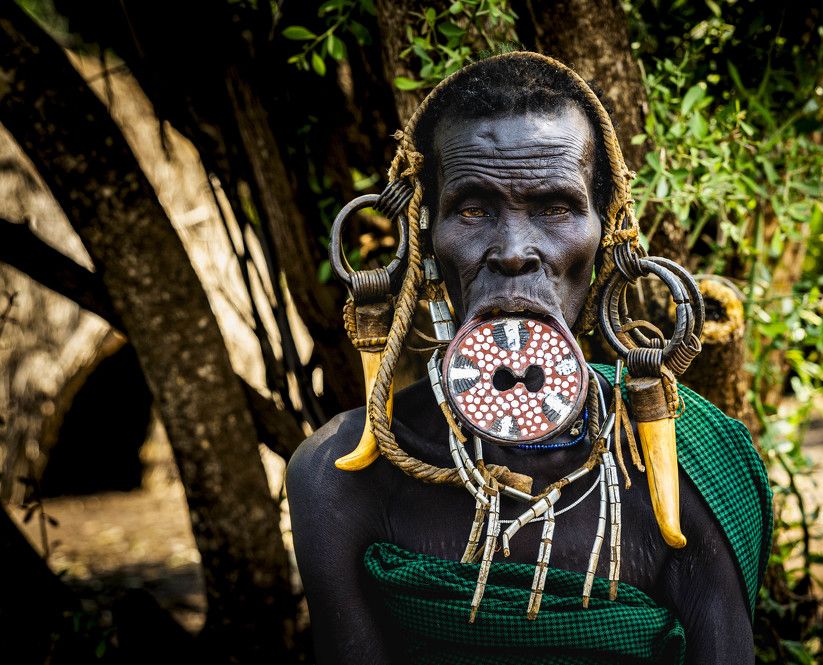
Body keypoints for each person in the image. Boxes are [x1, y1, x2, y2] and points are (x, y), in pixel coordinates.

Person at [286, 51, 771, 664]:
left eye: (556, 207)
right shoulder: (340, 479)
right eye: (472, 208)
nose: (514, 251)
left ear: (609, 235)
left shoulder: (694, 472)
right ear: (423, 235)